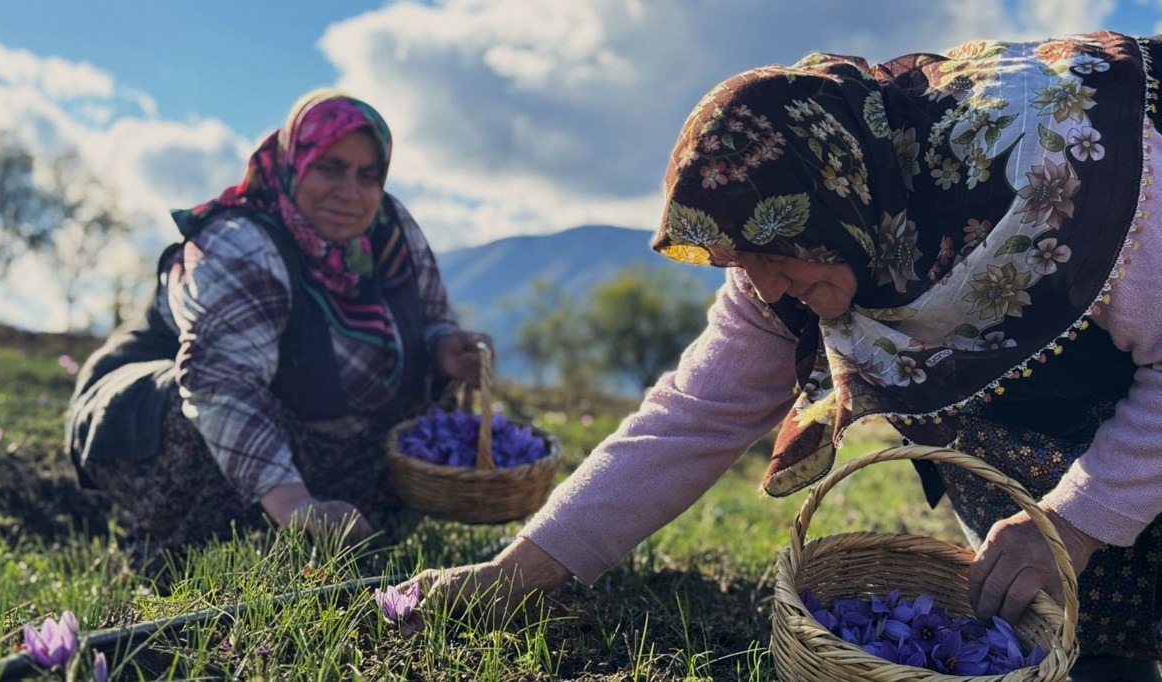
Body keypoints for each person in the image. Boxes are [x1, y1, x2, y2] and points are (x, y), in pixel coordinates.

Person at [405, 31, 1162, 680]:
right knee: (1069, 638)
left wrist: (1074, 523)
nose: (765, 285)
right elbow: (693, 417)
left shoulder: (1064, 176)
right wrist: (519, 570)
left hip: (1134, 391)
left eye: (773, 251)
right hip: (1030, 448)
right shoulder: (782, 266)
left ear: (839, 195)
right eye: (740, 259)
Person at [66, 89, 492, 551]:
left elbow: (432, 318)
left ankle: (293, 512)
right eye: (330, 167)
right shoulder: (241, 242)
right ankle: (183, 540)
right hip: (145, 415)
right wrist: (294, 504)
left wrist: (444, 348)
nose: (350, 192)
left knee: (419, 421)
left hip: (302, 416)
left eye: (368, 175)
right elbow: (220, 382)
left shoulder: (390, 229)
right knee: (195, 419)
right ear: (295, 162)